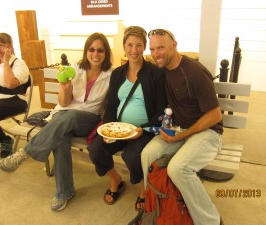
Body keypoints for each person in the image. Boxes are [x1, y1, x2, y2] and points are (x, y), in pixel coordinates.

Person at [0, 32, 114, 211]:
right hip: (63, 115)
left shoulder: (111, 75)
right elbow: (64, 103)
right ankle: (64, 193)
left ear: (106, 53)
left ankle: (25, 153)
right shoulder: (75, 68)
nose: (96, 54)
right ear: (86, 51)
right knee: (61, 138)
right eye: (91, 49)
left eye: (100, 50)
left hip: (87, 119)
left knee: (70, 117)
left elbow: (109, 106)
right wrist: (65, 89)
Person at [141, 29, 224, 225]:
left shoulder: (195, 72)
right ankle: (155, 210)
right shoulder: (163, 71)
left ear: (174, 45)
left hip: (208, 133)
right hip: (179, 129)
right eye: (152, 49)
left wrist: (182, 135)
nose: (155, 54)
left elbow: (215, 115)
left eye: (161, 47)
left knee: (178, 168)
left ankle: (211, 221)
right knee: (147, 154)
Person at [88, 26, 167, 210]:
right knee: (96, 148)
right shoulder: (117, 74)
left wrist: (143, 129)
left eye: (138, 45)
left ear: (144, 47)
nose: (134, 50)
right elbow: (112, 106)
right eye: (130, 45)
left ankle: (143, 189)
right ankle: (116, 179)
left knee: (133, 156)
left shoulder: (155, 74)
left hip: (143, 131)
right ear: (124, 46)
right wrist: (107, 129)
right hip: (119, 129)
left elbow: (161, 110)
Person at [0, 33, 30, 158]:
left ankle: (5, 140)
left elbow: (9, 84)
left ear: (10, 47)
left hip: (13, 100)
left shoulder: (19, 64)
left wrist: (6, 62)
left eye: (1, 45)